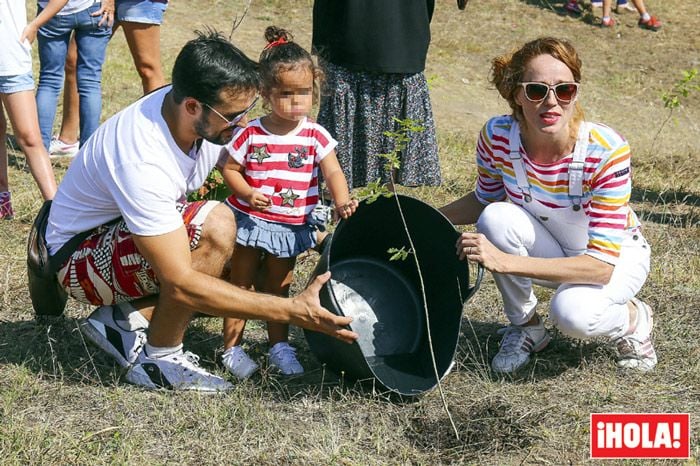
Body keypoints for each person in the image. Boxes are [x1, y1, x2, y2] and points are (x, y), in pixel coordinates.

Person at [43, 30, 358, 392]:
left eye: (247, 111)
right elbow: (181, 280)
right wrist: (291, 311)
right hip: (80, 261)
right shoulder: (142, 156)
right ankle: (159, 360)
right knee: (218, 228)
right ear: (193, 106)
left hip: (122, 234)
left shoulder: (196, 118)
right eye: (233, 115)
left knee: (244, 248)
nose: (242, 124)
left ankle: (125, 320)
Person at [440, 37, 656, 374]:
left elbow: (600, 267)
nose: (551, 102)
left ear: (576, 92)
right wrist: (418, 218)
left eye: (564, 90)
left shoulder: (605, 150)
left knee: (572, 314)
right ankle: (526, 327)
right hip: (555, 246)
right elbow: (486, 199)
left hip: (614, 257)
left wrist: (506, 262)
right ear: (516, 94)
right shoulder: (497, 136)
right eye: (537, 90)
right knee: (495, 218)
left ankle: (632, 320)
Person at [218, 26, 358, 379]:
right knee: (240, 284)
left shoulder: (315, 134)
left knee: (280, 287)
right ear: (264, 92)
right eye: (285, 93)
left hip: (290, 225)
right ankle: (231, 348)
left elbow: (333, 173)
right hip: (250, 220)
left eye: (304, 93)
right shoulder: (251, 133)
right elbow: (229, 169)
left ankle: (278, 344)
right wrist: (246, 192)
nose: (296, 102)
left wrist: (342, 201)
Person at [312, 0, 451, 189]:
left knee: (394, 121)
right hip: (346, 30)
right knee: (341, 116)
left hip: (402, 31)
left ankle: (386, 202)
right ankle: (332, 201)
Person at [49, 0, 170, 158]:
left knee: (148, 69)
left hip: (139, 3)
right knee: (75, 60)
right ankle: (67, 140)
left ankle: (157, 143)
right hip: (100, 2)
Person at [0, 0, 66, 215]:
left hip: (11, 60)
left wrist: (35, 24)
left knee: (30, 137)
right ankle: (3, 203)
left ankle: (57, 213)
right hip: (10, 56)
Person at [35, 0, 114, 152]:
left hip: (52, 11)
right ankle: (88, 155)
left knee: (48, 81)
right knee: (91, 82)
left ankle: (38, 154)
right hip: (93, 8)